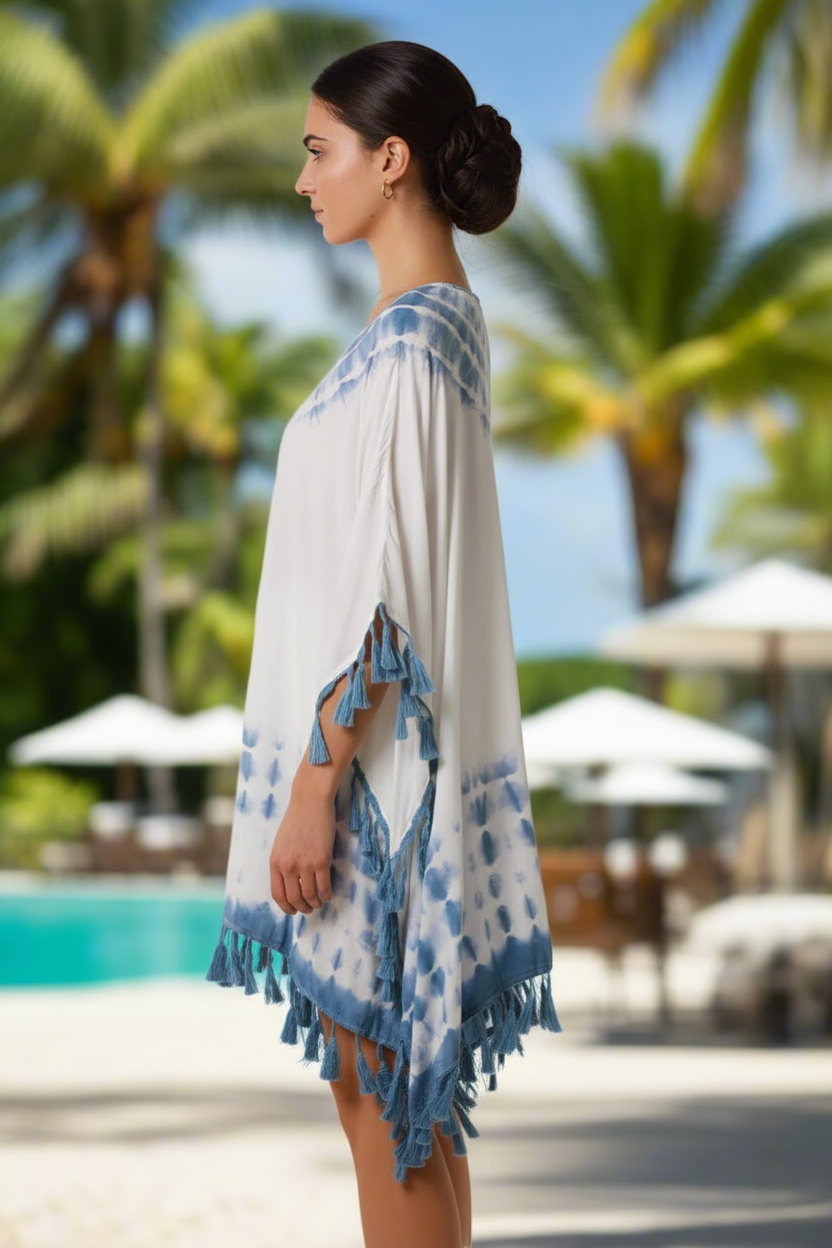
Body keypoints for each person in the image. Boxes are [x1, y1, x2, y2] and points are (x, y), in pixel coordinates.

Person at [206, 40, 561, 1248]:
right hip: (376, 768)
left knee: (383, 1095)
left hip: (368, 785)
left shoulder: (412, 344)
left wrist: (313, 789)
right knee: (396, 1101)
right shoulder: (427, 331)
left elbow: (383, 597)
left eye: (320, 151)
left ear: (389, 158)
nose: (303, 180)